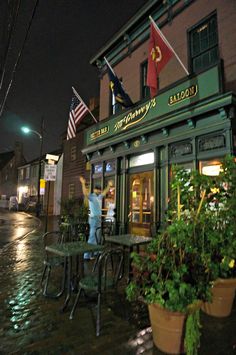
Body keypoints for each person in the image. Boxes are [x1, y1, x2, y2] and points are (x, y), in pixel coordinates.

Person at [79, 176, 113, 260]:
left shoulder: (98, 197)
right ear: (94, 190)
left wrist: (109, 186)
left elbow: (104, 193)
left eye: (99, 189)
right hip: (93, 219)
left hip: (98, 219)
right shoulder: (92, 196)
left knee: (97, 236)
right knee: (92, 237)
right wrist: (83, 183)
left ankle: (95, 252)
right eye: (97, 189)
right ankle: (86, 255)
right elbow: (85, 193)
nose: (99, 191)